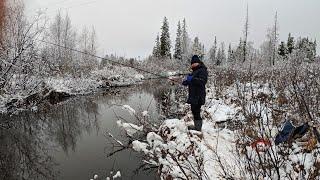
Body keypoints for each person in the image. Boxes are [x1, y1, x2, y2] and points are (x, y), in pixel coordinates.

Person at [182, 55, 208, 131]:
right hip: (194, 96)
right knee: (194, 111)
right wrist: (184, 82)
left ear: (198, 63)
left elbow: (202, 81)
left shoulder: (202, 70)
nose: (192, 65)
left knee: (196, 111)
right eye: (192, 63)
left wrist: (192, 79)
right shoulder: (194, 72)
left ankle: (198, 128)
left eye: (194, 63)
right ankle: (197, 126)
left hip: (198, 96)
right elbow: (190, 82)